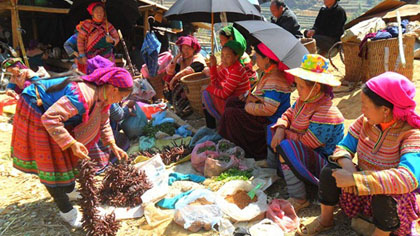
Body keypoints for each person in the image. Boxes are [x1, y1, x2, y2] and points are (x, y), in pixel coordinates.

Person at [298, 72, 420, 236]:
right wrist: (349, 167)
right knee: (330, 170)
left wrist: (356, 179)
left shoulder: (411, 134)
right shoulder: (365, 121)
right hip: (361, 190)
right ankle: (326, 220)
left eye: (365, 105)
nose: (362, 110)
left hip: (389, 199)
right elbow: (343, 147)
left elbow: (408, 178)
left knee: (385, 195)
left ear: (385, 109)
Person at [11, 67, 132, 228]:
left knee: (65, 158)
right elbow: (50, 118)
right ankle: (68, 212)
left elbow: (103, 122)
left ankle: (70, 190)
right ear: (113, 88)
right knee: (53, 165)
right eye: (121, 96)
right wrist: (72, 143)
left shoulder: (103, 98)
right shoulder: (83, 95)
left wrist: (112, 144)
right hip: (36, 108)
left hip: (54, 115)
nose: (119, 101)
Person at [271, 54, 344, 213]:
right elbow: (287, 115)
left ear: (316, 88)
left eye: (301, 86)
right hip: (307, 152)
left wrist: (283, 133)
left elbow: (307, 142)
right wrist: (281, 128)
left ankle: (299, 198)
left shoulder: (327, 112)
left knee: (286, 147)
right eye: (297, 85)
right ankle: (283, 174)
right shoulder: (303, 101)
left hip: (325, 165)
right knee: (273, 129)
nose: (297, 90)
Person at [218, 43, 293, 160]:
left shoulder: (275, 79)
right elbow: (264, 96)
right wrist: (251, 97)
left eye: (257, 56)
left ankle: (244, 148)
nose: (255, 59)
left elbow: (268, 109)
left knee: (231, 114)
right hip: (263, 110)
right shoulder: (269, 73)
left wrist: (249, 105)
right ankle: (228, 139)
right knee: (233, 102)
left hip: (269, 119)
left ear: (266, 59)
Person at [202, 40, 251, 128]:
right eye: (222, 55)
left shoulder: (237, 70)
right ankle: (215, 124)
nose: (223, 59)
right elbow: (215, 82)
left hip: (238, 102)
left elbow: (224, 94)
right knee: (207, 92)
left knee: (206, 94)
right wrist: (213, 66)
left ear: (236, 57)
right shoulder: (228, 68)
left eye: (228, 56)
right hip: (231, 98)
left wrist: (208, 88)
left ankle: (221, 122)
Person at [76, 2, 120, 73]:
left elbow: (117, 38)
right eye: (96, 11)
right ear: (92, 13)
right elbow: (80, 40)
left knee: (107, 75)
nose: (99, 13)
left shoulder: (108, 26)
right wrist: (82, 55)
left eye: (101, 11)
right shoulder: (87, 25)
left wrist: (112, 40)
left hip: (107, 56)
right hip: (91, 57)